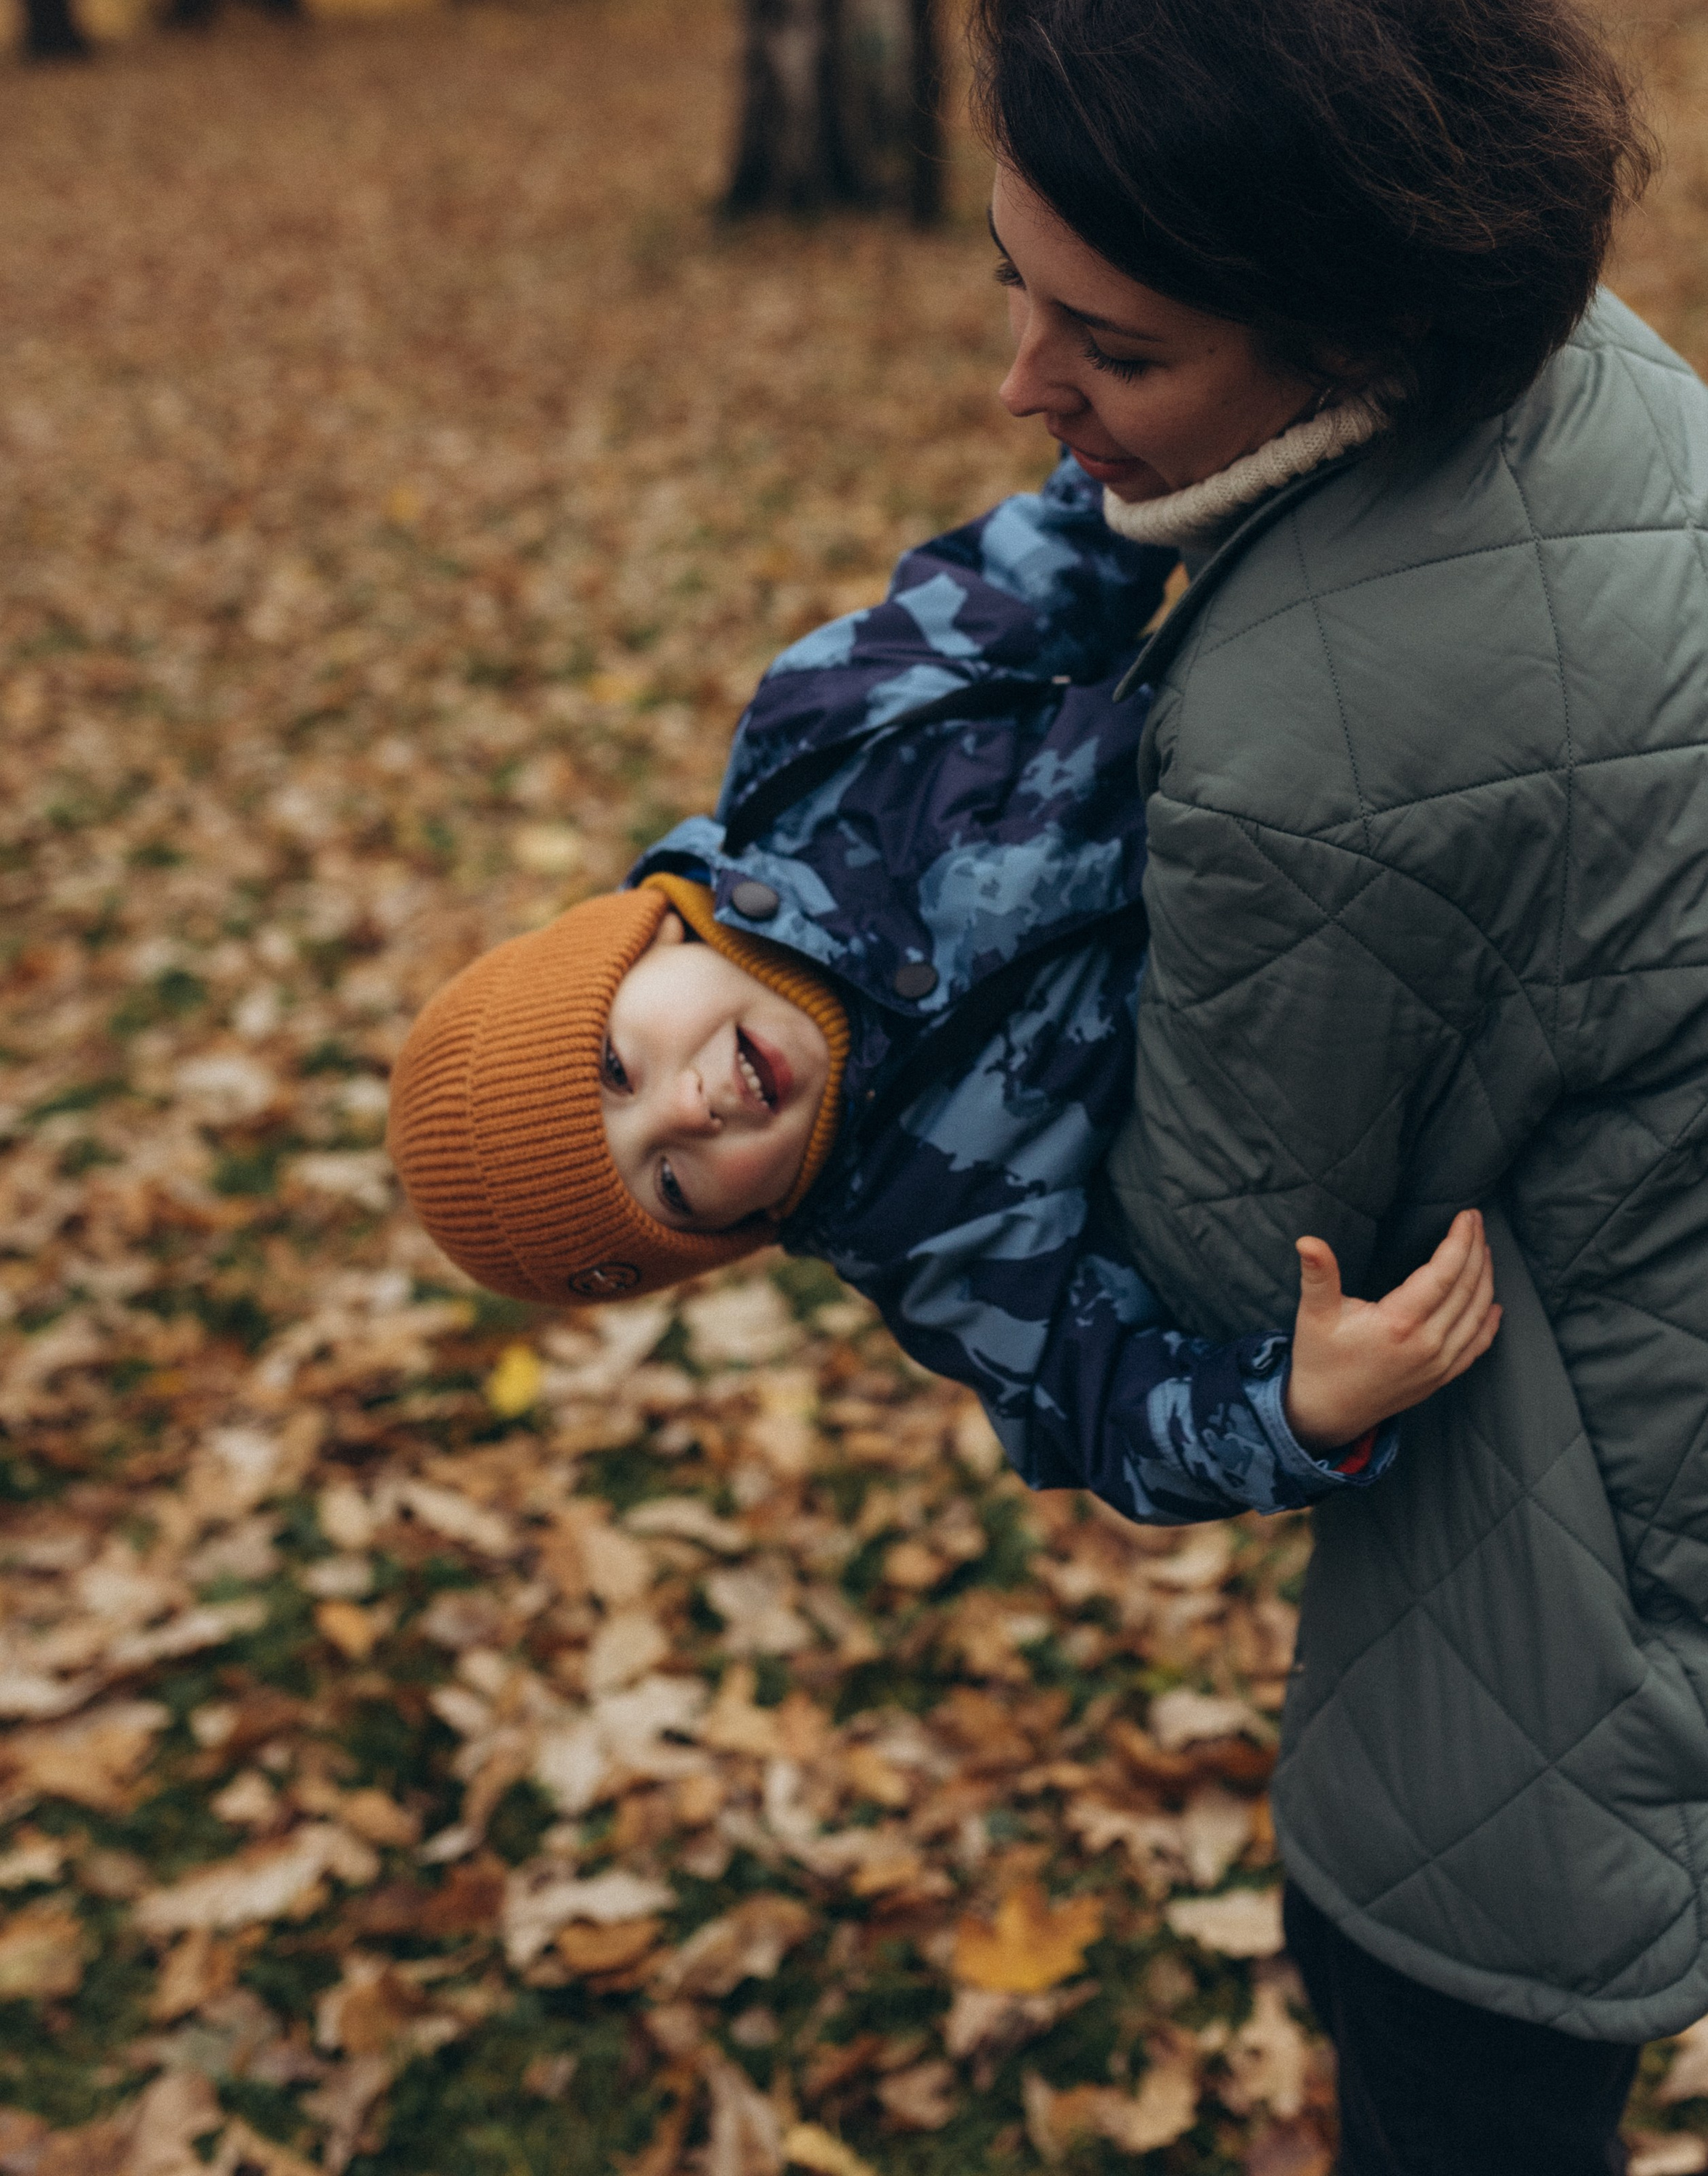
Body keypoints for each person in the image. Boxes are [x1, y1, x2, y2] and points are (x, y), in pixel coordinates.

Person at [969, 0, 1708, 2174]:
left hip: (1578, 1518)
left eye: (1116, 345)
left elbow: (1207, 1270)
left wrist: (857, 1098)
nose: (1025, 383)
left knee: (1455, 2033)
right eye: (1010, 284)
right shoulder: (1606, 380)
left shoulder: (1308, 750)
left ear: (1360, 330)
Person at [388, 455, 1498, 1529]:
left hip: (1307, 683)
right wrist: (1296, 1410)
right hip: (1386, 939)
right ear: (737, 1229)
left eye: (616, 1069)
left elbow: (1036, 573)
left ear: (644, 939)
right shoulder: (934, 1244)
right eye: (670, 1185)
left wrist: (1147, 444)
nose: (687, 1112)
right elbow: (1093, 1414)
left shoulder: (819, 738)